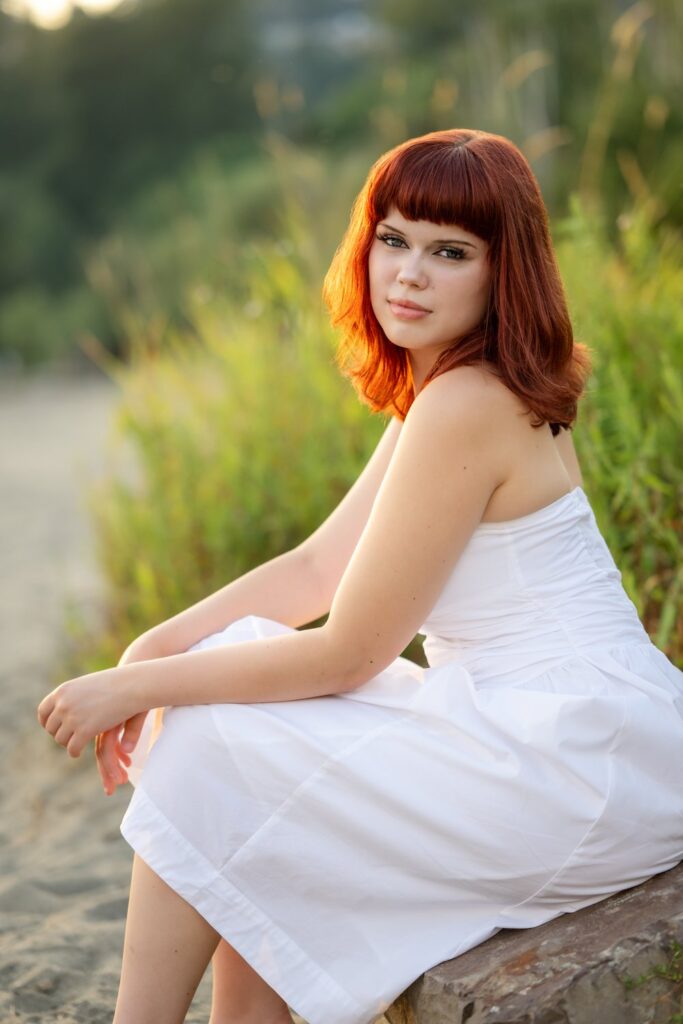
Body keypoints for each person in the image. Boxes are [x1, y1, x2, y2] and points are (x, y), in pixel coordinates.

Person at [37, 128, 683, 1024]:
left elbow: (348, 653)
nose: (408, 275)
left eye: (449, 252)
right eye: (393, 239)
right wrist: (151, 648)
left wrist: (135, 688)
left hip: (567, 760)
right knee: (237, 736)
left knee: (217, 739)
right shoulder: (448, 391)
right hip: (564, 733)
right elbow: (317, 568)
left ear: (503, 272)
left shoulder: (467, 403)